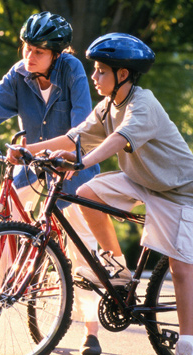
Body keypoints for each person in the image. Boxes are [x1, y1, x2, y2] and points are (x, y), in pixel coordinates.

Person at [15, 32, 193, 355]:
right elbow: (75, 136)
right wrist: (29, 149)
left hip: (178, 190)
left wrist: (83, 160)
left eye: (100, 71)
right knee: (88, 194)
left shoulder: (143, 103)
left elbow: (118, 141)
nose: (93, 76)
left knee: (180, 268)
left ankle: (187, 343)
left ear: (122, 74)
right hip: (140, 179)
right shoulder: (108, 106)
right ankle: (120, 270)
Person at [0, 11, 103, 354]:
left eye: (39, 52)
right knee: (6, 217)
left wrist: (46, 152)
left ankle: (91, 332)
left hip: (74, 168)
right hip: (33, 167)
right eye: (27, 48)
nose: (29, 56)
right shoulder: (19, 74)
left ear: (57, 54)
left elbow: (81, 129)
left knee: (83, 251)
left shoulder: (72, 70)